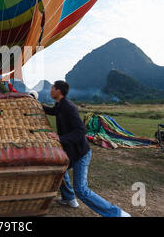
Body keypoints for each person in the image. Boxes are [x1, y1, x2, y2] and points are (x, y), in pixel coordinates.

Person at [42, 81, 131, 217]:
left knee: (82, 190)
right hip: (70, 152)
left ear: (58, 91)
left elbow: (80, 130)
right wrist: (37, 106)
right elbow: (52, 111)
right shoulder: (60, 105)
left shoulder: (69, 107)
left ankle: (117, 213)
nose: (50, 90)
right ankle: (69, 199)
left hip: (80, 153)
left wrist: (60, 138)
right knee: (59, 170)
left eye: (52, 88)